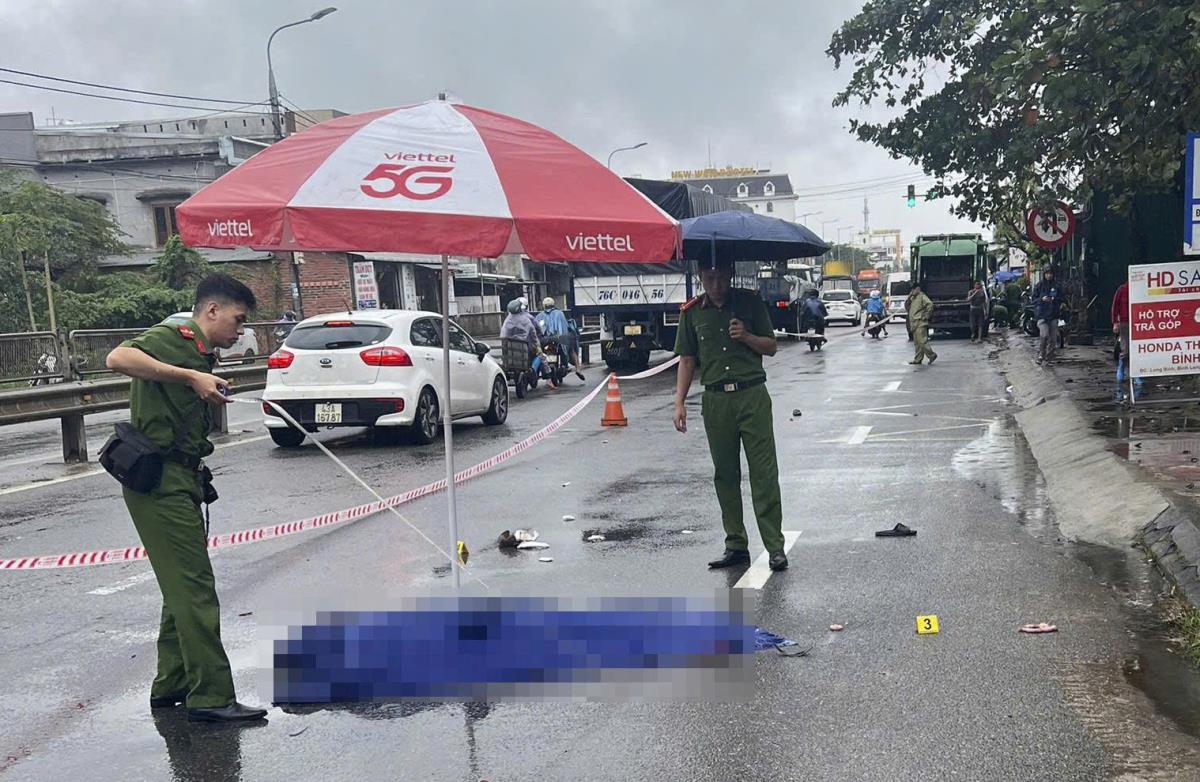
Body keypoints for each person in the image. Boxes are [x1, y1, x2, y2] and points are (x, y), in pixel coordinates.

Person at [104, 274, 267, 723]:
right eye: (237, 320)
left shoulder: (197, 349)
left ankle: (172, 684)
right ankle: (211, 696)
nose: (240, 331)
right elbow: (117, 357)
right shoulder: (175, 336)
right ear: (212, 310)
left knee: (180, 587)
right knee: (195, 590)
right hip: (160, 483)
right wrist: (191, 375)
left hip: (180, 478)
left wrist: (201, 380)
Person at [672, 259, 788, 572]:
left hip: (752, 396)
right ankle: (736, 544)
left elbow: (771, 347)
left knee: (764, 473)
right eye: (709, 278)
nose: (716, 285)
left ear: (730, 274)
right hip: (716, 401)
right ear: (700, 277)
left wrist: (746, 336)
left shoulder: (749, 304)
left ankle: (775, 546)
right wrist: (679, 402)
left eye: (721, 277)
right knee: (725, 474)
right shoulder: (692, 313)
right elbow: (687, 359)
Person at [535, 296, 585, 381]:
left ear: (544, 306)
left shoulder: (539, 315)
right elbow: (565, 327)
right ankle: (578, 369)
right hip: (559, 339)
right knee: (571, 349)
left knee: (537, 352)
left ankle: (537, 372)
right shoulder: (560, 313)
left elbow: (536, 329)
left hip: (544, 340)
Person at [501, 298, 542, 369]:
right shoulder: (526, 319)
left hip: (509, 351)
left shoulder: (507, 321)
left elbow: (503, 335)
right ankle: (534, 370)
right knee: (540, 355)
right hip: (524, 348)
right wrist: (537, 345)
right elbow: (534, 334)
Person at [1033, 268, 1062, 365]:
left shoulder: (1057, 286)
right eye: (1047, 273)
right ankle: (1041, 355)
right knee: (1044, 335)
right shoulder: (1039, 286)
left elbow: (1062, 298)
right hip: (1042, 315)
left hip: (1053, 315)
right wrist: (1042, 299)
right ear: (1044, 274)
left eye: (1051, 273)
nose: (1049, 275)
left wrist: (1054, 299)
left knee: (1053, 339)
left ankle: (1049, 358)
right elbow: (1034, 299)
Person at [907, 283, 937, 365]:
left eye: (913, 289)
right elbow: (907, 307)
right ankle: (918, 359)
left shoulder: (922, 296)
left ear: (918, 289)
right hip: (914, 323)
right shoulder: (912, 298)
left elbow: (930, 304)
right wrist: (909, 298)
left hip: (920, 322)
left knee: (922, 341)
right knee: (917, 343)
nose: (912, 291)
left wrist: (926, 315)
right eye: (911, 290)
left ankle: (932, 355)